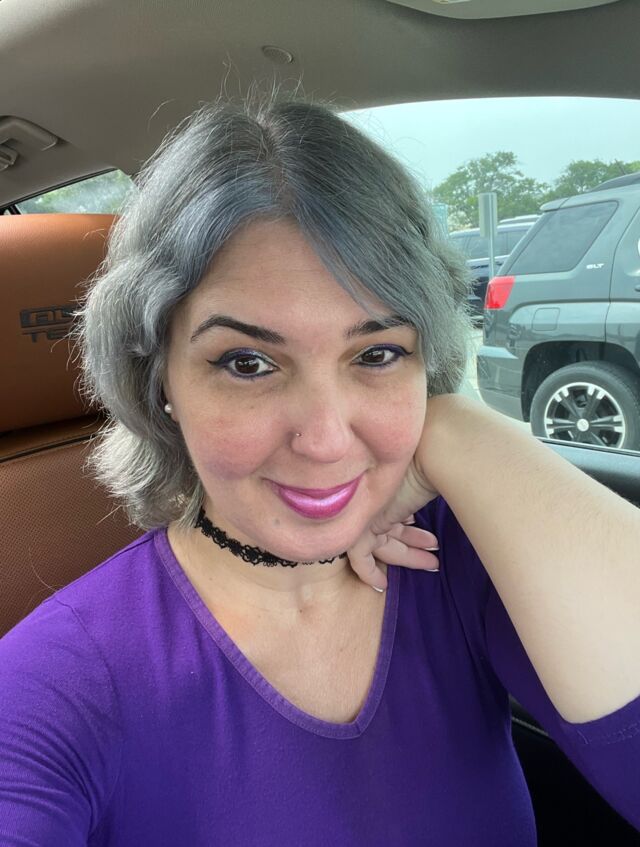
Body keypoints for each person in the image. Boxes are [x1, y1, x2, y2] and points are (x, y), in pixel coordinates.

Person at [1, 88, 639, 846]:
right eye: (247, 362)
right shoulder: (54, 684)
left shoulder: (461, 554)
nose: (327, 440)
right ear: (159, 376)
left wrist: (462, 431)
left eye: (379, 354)